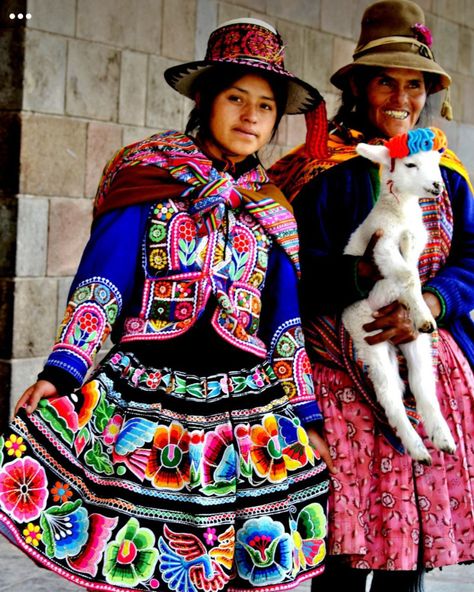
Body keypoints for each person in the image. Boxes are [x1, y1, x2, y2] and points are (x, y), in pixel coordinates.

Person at [0, 18, 331, 592]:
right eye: (236, 98)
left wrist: (308, 416)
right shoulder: (148, 174)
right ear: (205, 100)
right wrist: (63, 371)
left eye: (266, 106)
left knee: (228, 568)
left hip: (243, 408)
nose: (251, 116)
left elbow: (284, 323)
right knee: (142, 559)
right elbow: (102, 283)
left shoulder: (273, 208)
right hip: (144, 402)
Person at [270, 1, 474, 591]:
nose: (401, 97)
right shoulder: (314, 171)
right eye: (387, 80)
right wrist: (359, 279)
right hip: (336, 375)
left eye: (415, 85)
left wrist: (429, 306)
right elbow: (287, 272)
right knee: (344, 543)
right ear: (359, 85)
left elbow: (473, 259)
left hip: (427, 366)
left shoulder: (445, 171)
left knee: (410, 549)